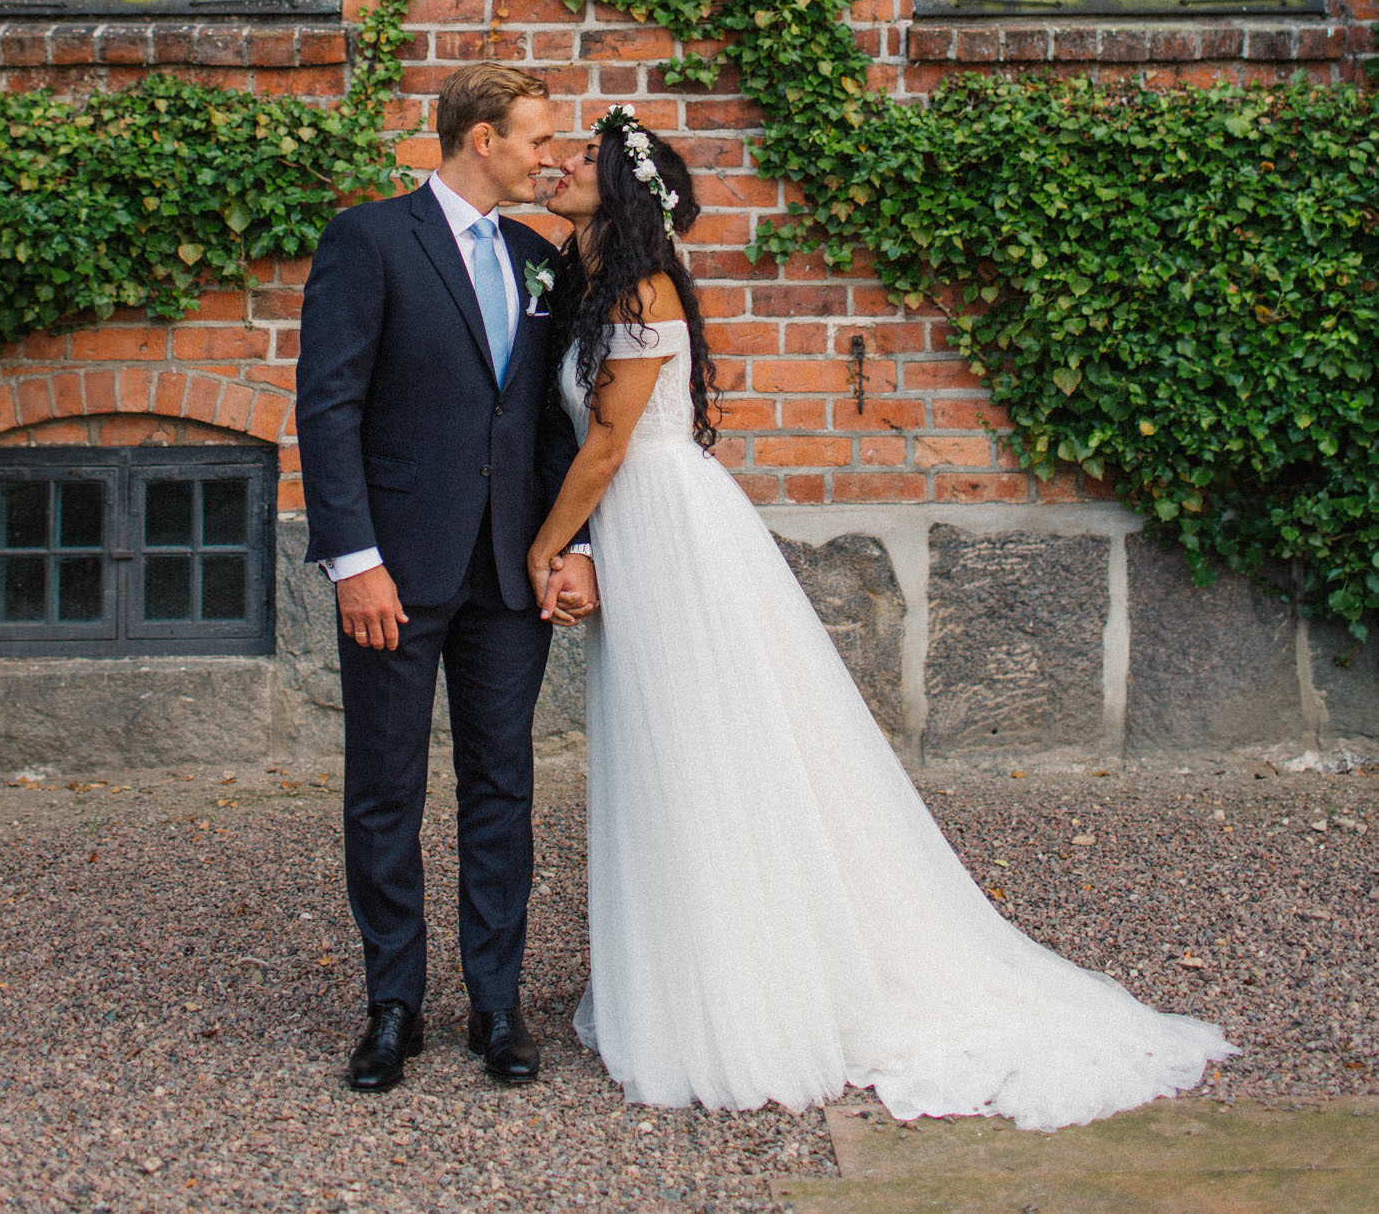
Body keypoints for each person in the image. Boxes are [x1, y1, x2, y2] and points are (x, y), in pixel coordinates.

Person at [529, 105, 1233, 1126]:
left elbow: (605, 447)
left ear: (623, 185)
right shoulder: (601, 285)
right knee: (668, 746)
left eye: (584, 158)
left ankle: (748, 996)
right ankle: (698, 971)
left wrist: (549, 546)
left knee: (697, 744)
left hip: (667, 526)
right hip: (641, 525)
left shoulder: (640, 290)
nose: (562, 166)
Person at [295, 63, 598, 1095]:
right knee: (385, 787)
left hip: (512, 574)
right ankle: (393, 1005)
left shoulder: (537, 256)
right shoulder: (370, 241)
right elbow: (327, 408)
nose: (549, 156)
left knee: (502, 784)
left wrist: (575, 545)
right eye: (535, 139)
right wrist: (356, 562)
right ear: (480, 139)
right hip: (397, 571)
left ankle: (496, 1004)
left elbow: (559, 420)